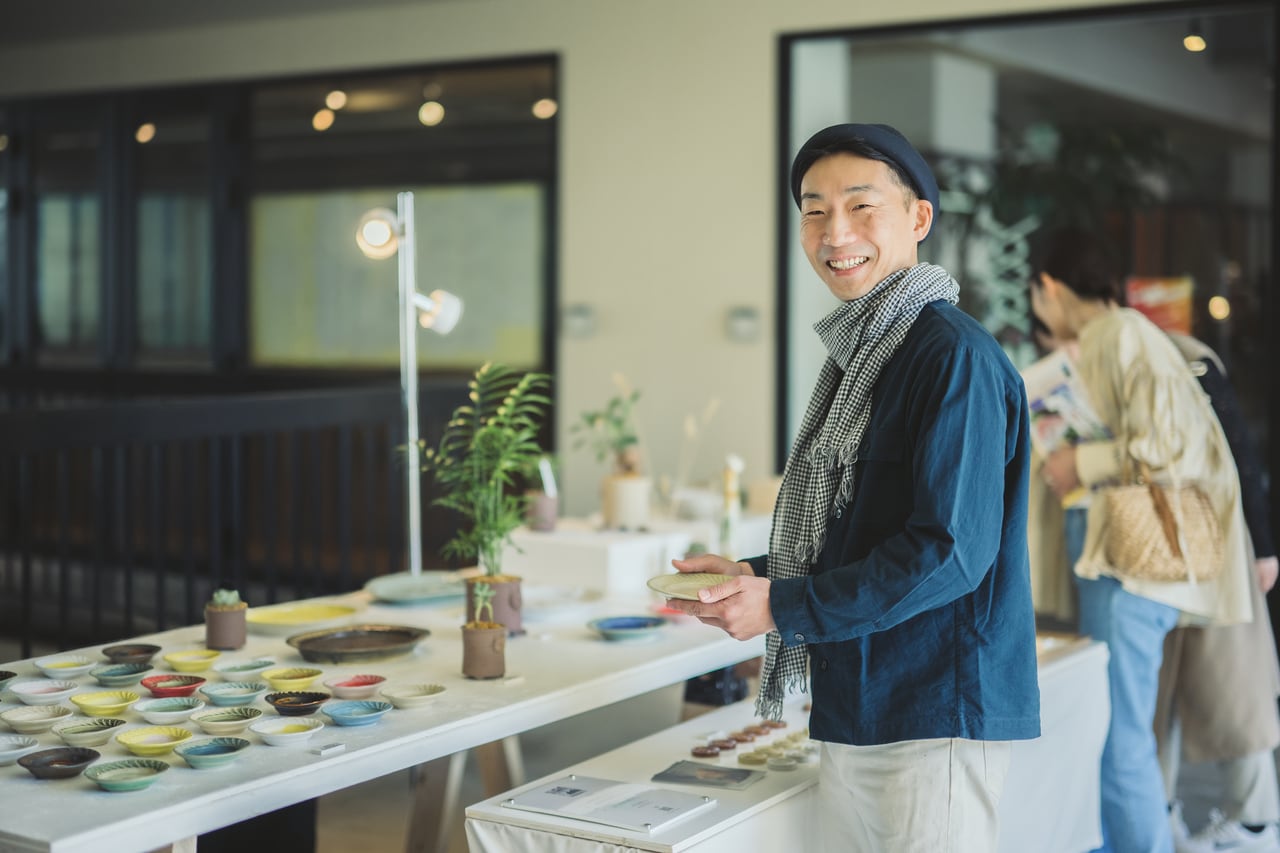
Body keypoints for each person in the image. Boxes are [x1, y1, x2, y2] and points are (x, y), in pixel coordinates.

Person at [663, 122, 1041, 853]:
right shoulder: (865, 354)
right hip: (858, 701)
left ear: (918, 218)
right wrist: (752, 574)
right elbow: (857, 530)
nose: (836, 232)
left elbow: (949, 551)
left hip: (934, 710)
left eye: (862, 206)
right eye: (814, 209)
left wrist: (783, 603)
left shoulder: (950, 355)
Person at [1031, 227, 1255, 853]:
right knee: (1117, 727)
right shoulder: (1109, 338)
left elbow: (1166, 448)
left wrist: (1083, 465)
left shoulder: (1124, 335)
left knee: (1119, 732)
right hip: (1120, 561)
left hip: (1133, 567)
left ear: (1049, 286)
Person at [1157, 333, 1280, 853]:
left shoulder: (1187, 360)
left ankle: (1253, 822)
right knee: (1161, 693)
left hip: (1212, 547)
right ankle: (1161, 813)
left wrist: (1262, 548)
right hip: (1171, 550)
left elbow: (1240, 456)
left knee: (1233, 688)